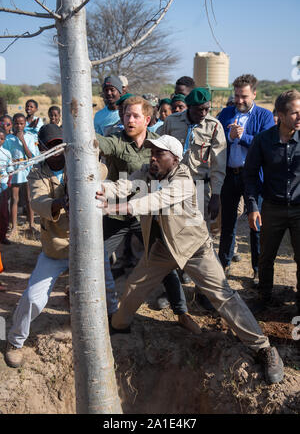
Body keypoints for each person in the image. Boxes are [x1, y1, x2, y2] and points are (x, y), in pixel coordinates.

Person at [96, 134, 284, 385]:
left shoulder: (184, 180)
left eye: (159, 155)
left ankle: (263, 348)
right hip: (162, 248)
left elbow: (154, 200)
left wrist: (117, 208)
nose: (153, 158)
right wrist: (101, 188)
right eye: (152, 153)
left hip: (194, 249)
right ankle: (118, 326)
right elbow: (124, 186)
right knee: (132, 288)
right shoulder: (147, 172)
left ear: (174, 159)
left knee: (223, 296)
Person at [4, 124, 117, 368]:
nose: (56, 150)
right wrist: (60, 202)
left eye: (60, 144)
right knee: (34, 298)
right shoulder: (37, 173)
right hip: (56, 247)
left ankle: (111, 332)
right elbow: (37, 202)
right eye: (51, 145)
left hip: (89, 244)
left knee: (107, 290)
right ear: (40, 148)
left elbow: (102, 170)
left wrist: (88, 160)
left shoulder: (77, 162)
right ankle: (14, 340)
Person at [96, 96, 199, 333]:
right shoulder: (116, 140)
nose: (129, 120)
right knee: (98, 257)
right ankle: (111, 311)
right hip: (117, 214)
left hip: (148, 216)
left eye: (135, 116)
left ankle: (181, 312)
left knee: (164, 263)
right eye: (126, 115)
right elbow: (101, 144)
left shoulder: (159, 144)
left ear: (147, 119)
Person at [158, 88, 226, 305]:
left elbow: (218, 163)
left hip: (198, 189)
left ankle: (203, 292)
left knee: (201, 240)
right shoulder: (172, 122)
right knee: (172, 237)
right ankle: (172, 290)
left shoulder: (214, 126)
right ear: (189, 107)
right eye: (199, 109)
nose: (204, 112)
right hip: (172, 188)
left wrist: (216, 194)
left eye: (207, 108)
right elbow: (160, 150)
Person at [244, 90, 300, 313]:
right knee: (266, 257)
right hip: (271, 208)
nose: (299, 117)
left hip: (299, 209)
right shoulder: (263, 140)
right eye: (295, 113)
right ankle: (264, 296)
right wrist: (252, 207)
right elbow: (249, 175)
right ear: (280, 114)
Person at [217, 74, 275, 283]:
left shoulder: (265, 115)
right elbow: (214, 140)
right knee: (228, 224)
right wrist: (227, 136)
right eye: (237, 96)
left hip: (254, 177)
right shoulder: (225, 113)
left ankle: (258, 269)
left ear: (254, 94)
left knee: (256, 224)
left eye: (244, 96)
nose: (239, 101)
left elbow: (268, 145)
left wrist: (243, 137)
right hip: (229, 176)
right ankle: (223, 265)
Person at [5, 113, 39, 238]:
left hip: (27, 169)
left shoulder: (30, 137)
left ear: (25, 124)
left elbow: (31, 155)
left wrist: (22, 140)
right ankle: (13, 226)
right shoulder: (8, 139)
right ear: (13, 124)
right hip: (14, 170)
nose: (19, 126)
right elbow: (6, 154)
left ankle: (31, 224)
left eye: (21, 123)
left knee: (29, 198)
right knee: (14, 199)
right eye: (17, 123)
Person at [0, 126, 13, 245]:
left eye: (2, 138)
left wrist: (8, 185)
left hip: (3, 186)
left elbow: (11, 172)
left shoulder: (7, 153)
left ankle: (2, 236)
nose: (0, 140)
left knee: (4, 212)